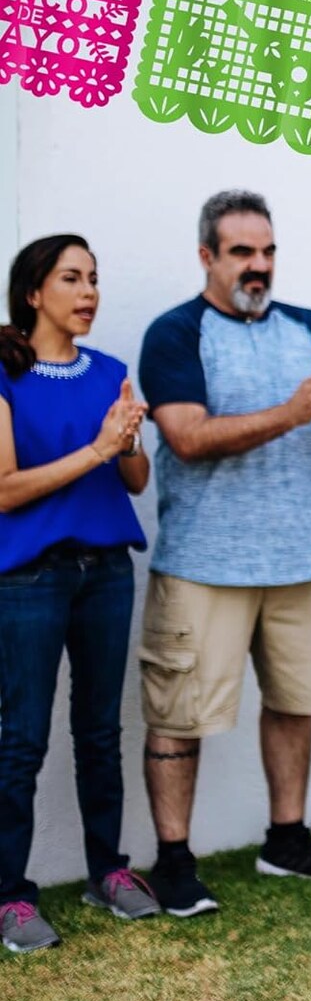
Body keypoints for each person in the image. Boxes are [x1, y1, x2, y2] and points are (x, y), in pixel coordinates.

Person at [137, 190, 311, 918]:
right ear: (207, 256)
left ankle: (287, 840)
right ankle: (174, 860)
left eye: (267, 251)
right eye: (242, 253)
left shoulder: (310, 326)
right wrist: (293, 409)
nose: (258, 266)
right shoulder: (175, 333)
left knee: (295, 703)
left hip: (297, 557)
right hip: (204, 561)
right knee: (179, 713)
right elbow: (188, 438)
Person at [0, 235, 161, 953]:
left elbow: (135, 481)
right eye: (72, 278)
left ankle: (108, 873)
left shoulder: (114, 372)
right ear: (34, 292)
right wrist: (96, 448)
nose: (89, 292)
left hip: (106, 574)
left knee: (100, 733)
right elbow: (5, 491)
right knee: (21, 743)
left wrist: (126, 441)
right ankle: (9, 895)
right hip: (29, 579)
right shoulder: (5, 373)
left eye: (94, 278)